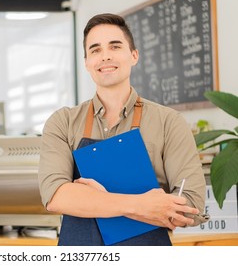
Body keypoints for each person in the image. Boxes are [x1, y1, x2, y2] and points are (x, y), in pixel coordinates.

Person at [38, 13, 207, 246]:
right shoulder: (63, 122)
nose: (105, 56)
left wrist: (93, 199)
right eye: (95, 50)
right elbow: (55, 196)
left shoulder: (168, 122)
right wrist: (141, 205)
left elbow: (191, 204)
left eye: (115, 46)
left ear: (134, 55)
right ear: (87, 62)